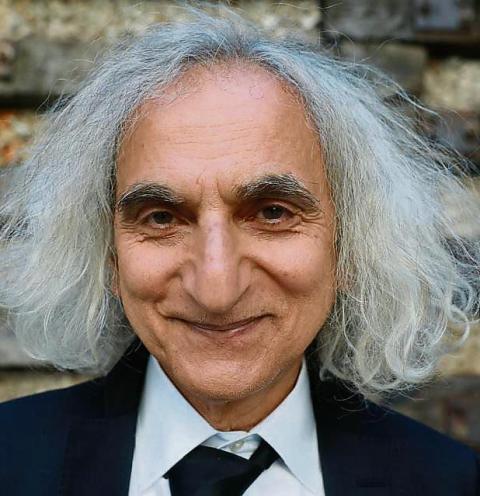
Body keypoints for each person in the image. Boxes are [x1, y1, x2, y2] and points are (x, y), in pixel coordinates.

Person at [0, 6, 479, 496]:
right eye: (161, 218)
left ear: (349, 245)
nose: (217, 288)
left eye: (272, 213)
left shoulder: (452, 484)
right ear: (109, 254)